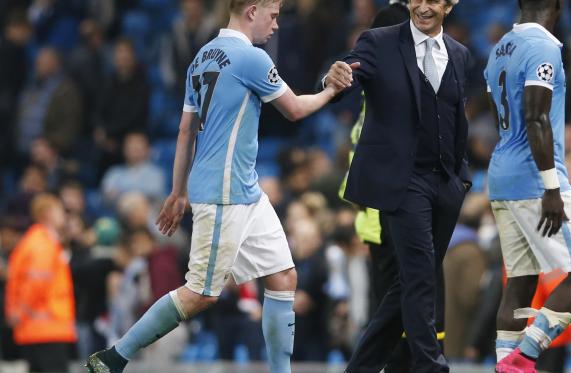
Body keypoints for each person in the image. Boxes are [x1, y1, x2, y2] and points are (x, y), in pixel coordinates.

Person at [85, 1, 344, 372]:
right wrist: (331, 91)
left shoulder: (202, 57)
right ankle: (113, 358)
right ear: (252, 11)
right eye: (273, 16)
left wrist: (178, 192)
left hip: (246, 191)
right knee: (200, 295)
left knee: (284, 275)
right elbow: (296, 109)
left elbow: (185, 132)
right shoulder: (252, 58)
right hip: (224, 195)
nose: (275, 25)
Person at [325, 0, 472, 371]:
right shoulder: (378, 41)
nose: (423, 6)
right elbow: (347, 75)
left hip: (444, 184)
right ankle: (431, 366)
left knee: (405, 285)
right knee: (421, 278)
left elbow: (456, 118)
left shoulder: (460, 54)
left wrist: (459, 179)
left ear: (450, 4)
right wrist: (333, 80)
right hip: (402, 182)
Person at [483, 0, 571, 371]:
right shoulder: (543, 47)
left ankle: (506, 363)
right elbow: (536, 118)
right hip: (536, 181)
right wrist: (551, 188)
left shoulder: (499, 49)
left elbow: (501, 123)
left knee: (521, 280)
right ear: (557, 6)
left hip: (501, 175)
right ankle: (524, 359)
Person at [4, 194, 77, 373]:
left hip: (36, 329)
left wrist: (18, 314)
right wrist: (21, 312)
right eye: (60, 210)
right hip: (47, 328)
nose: (64, 215)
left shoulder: (35, 241)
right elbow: (37, 282)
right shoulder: (42, 244)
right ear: (48, 213)